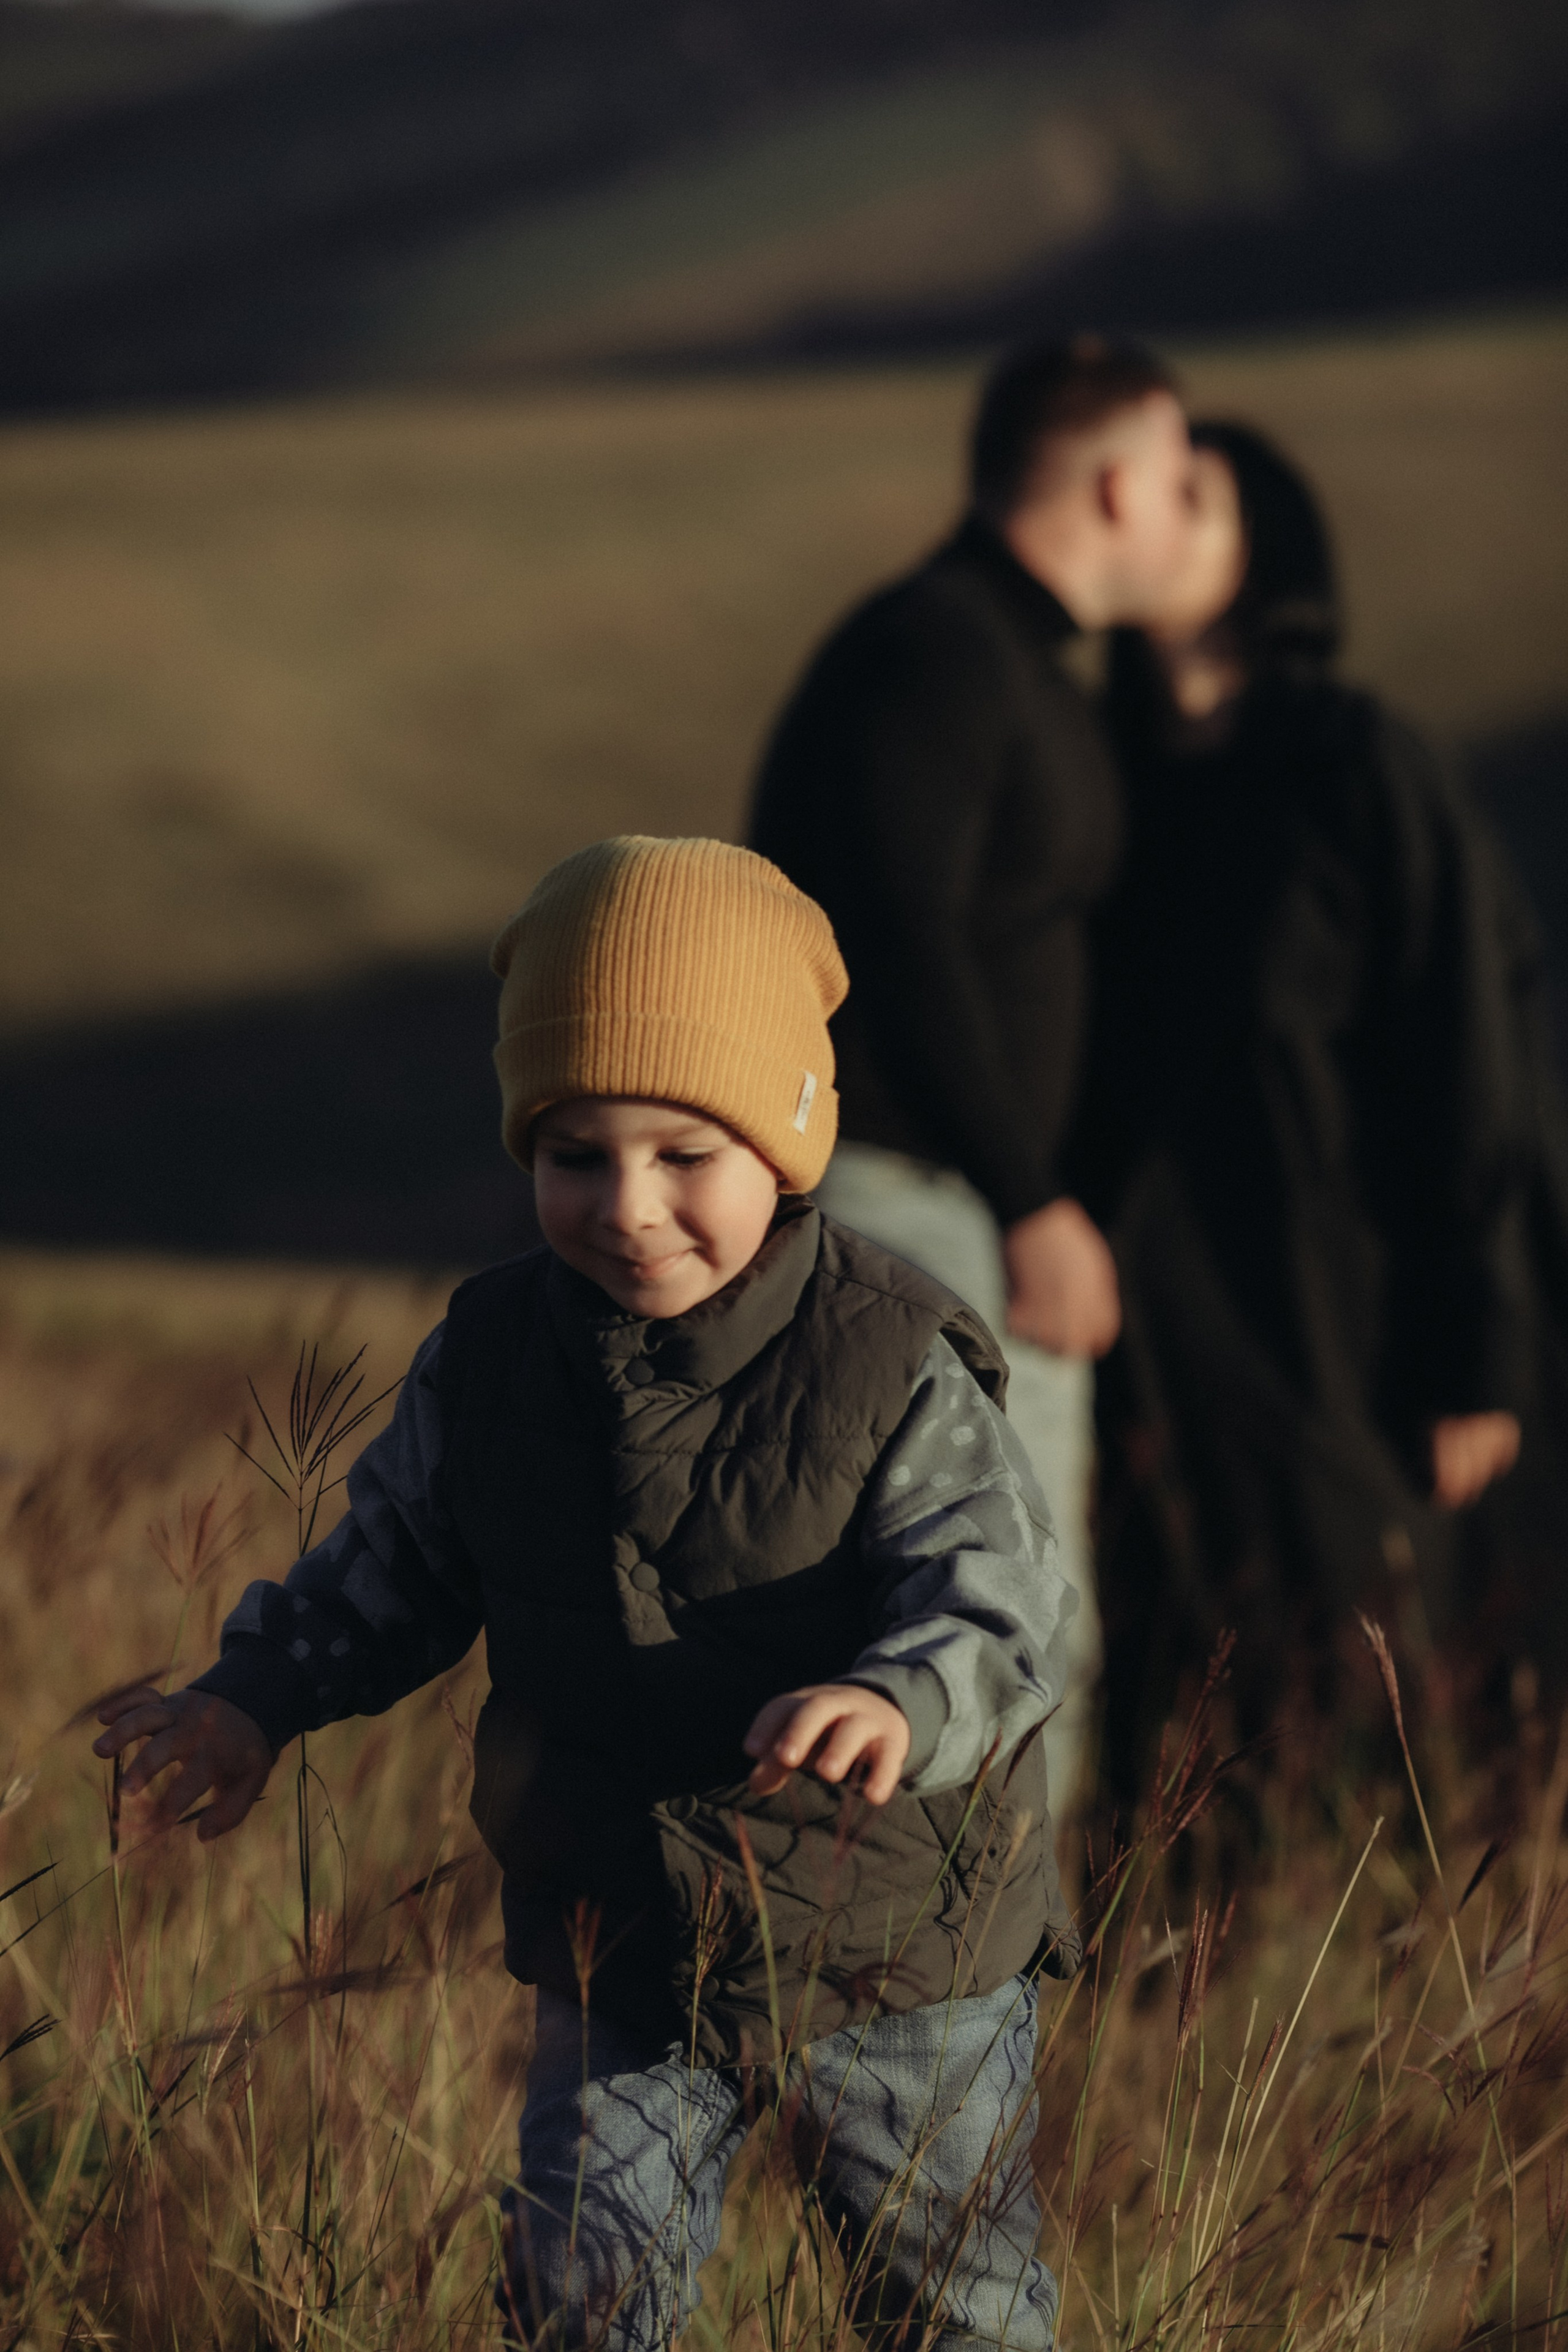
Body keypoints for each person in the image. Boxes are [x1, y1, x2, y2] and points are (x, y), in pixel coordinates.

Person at [91, 835, 1079, 2352]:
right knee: (581, 2294)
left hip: (891, 1954)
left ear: (791, 1142)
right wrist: (253, 1696)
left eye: (685, 1154)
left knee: (950, 2307)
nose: (627, 1206)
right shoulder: (492, 1356)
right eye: (575, 1156)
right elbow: (393, 1567)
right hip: (619, 1938)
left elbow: (1002, 1599)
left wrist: (899, 1697)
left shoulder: (887, 1357)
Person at [750, 336, 1200, 1816]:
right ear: (1117, 483)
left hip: (947, 1204)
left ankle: (987, 2018)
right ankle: (972, 2030)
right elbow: (899, 938)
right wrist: (1032, 1201)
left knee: (994, 1632)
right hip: (916, 1203)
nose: (1188, 508)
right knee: (989, 1630)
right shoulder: (934, 650)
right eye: (1178, 476)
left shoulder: (997, 659)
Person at [1066, 422, 1532, 1796]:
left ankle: (1350, 1938)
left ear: (1259, 548)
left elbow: (1464, 1044)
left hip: (1341, 1292)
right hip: (1138, 1311)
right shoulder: (1090, 774)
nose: (1140, 516)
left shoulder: (1354, 759)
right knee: (1163, 1639)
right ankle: (1175, 1959)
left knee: (1357, 1626)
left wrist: (1475, 1346)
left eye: (1188, 497)